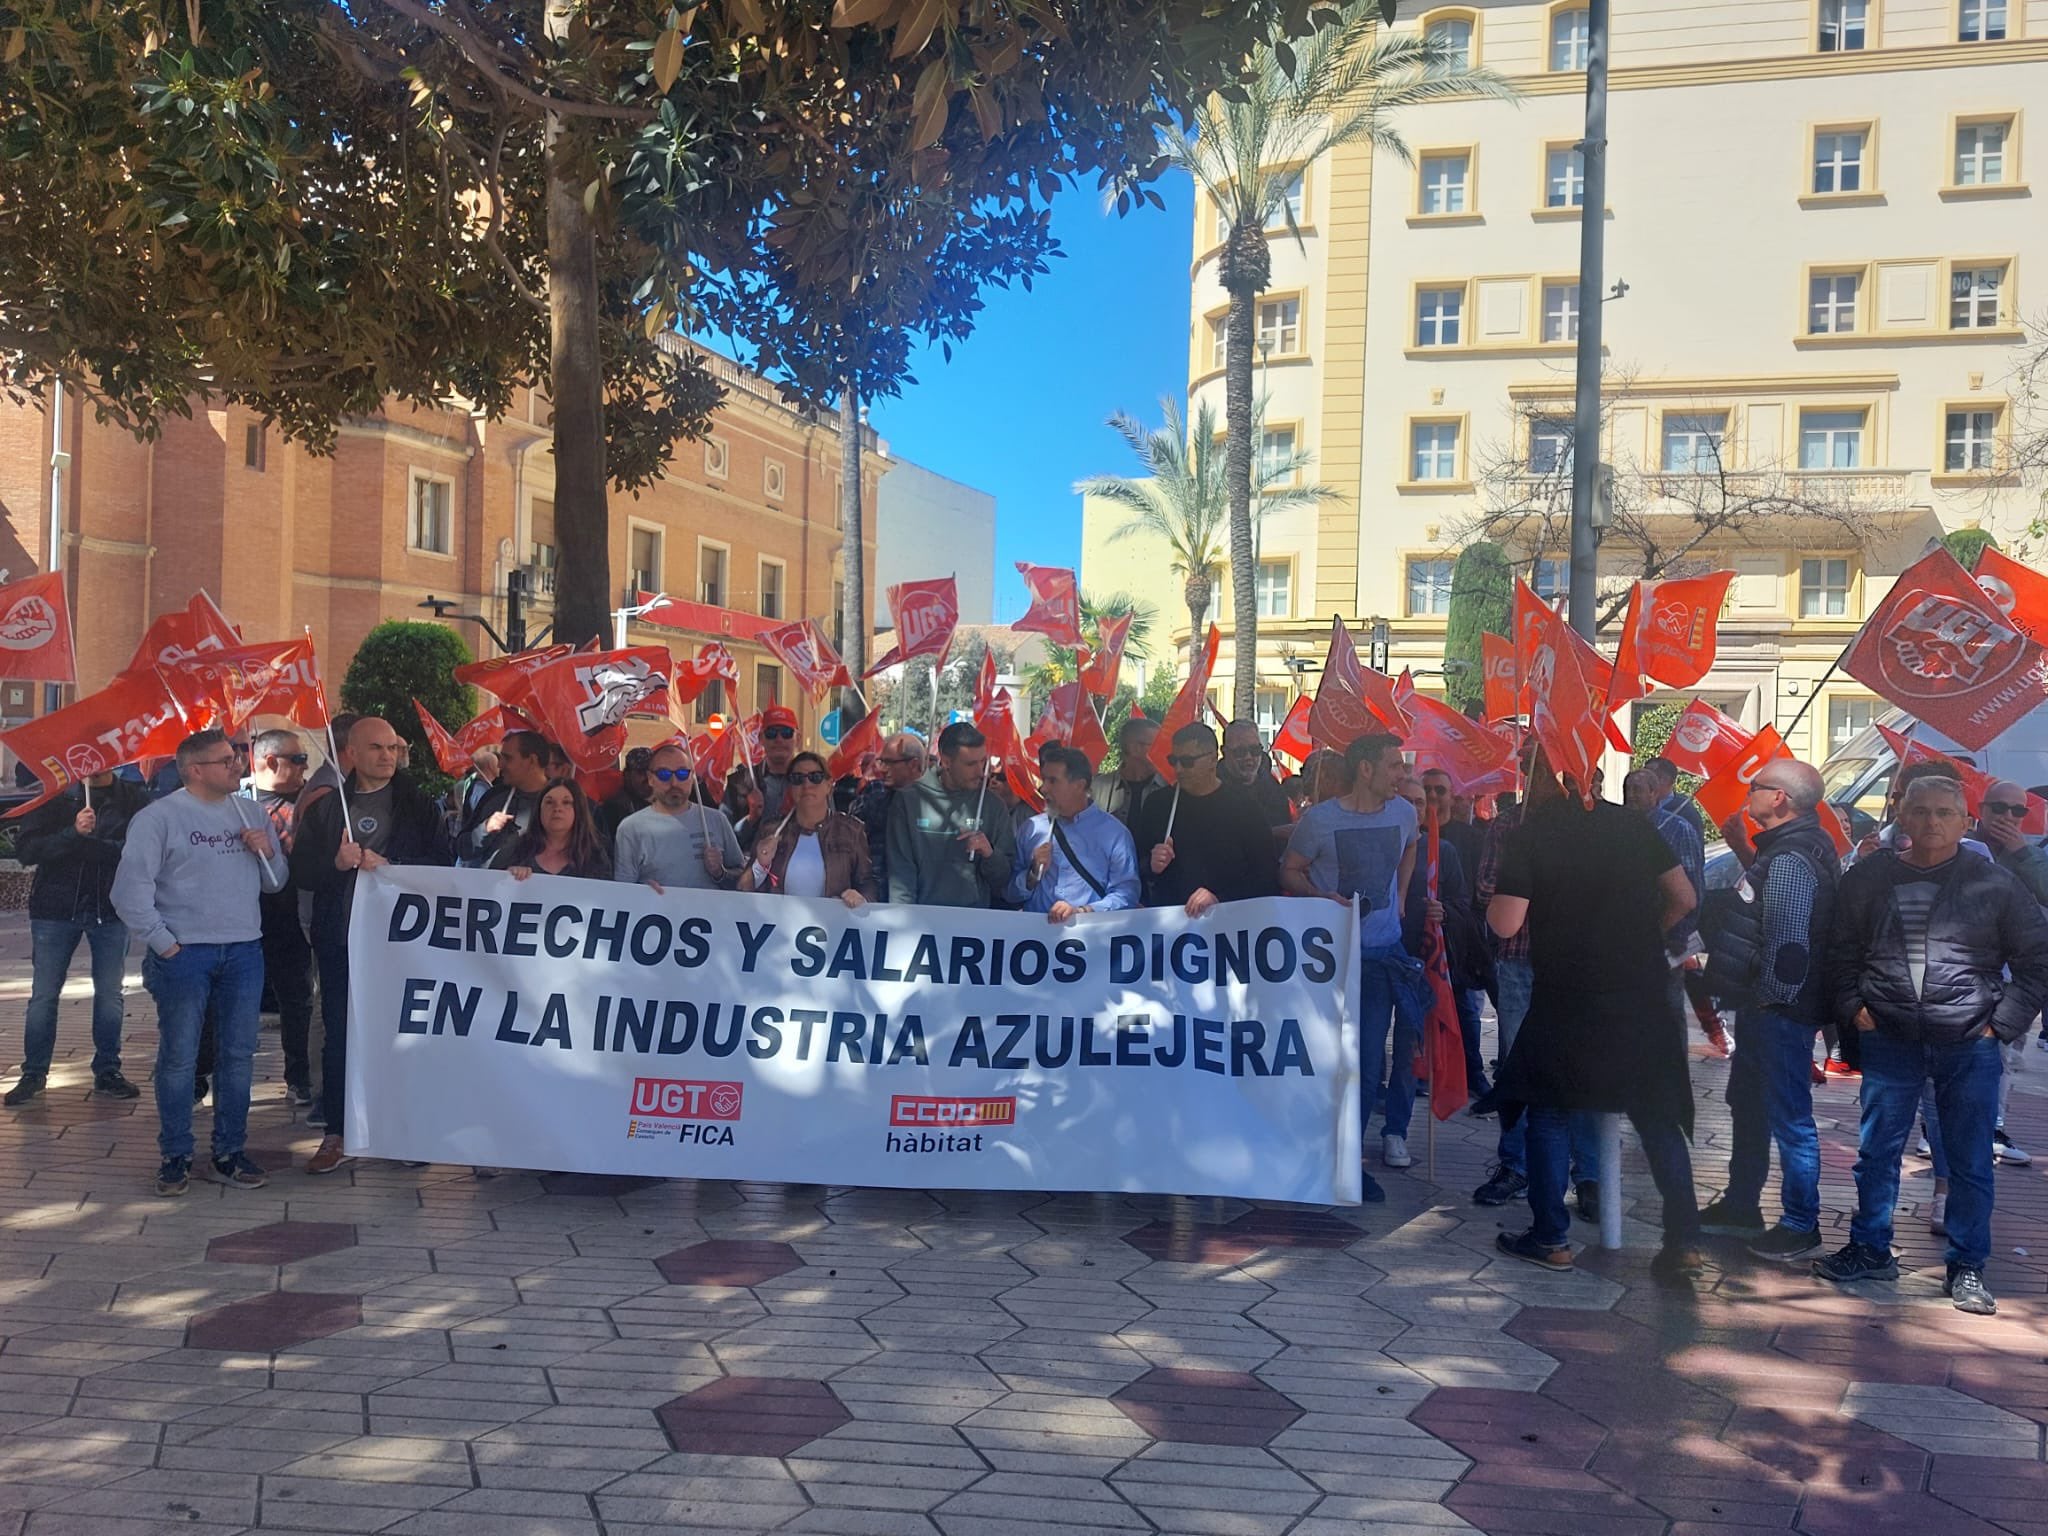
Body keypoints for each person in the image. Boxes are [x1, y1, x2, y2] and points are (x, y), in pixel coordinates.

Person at [1817, 776, 2048, 1316]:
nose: (1932, 822)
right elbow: (1839, 949)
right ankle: (1870, 1247)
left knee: (1970, 1159)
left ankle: (1967, 1265)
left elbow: (2036, 961)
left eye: (1945, 813)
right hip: (1890, 1034)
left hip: (1969, 1040)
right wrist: (1854, 1007)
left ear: (1966, 821)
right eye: (1920, 811)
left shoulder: (1994, 883)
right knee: (1877, 1152)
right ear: (1901, 814)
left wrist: (2001, 1024)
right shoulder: (1869, 878)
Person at [1484, 752, 1704, 1279]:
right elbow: (1684, 896)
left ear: (1545, 777)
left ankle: (1550, 1237)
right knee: (1656, 1114)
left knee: (1549, 1111)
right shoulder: (1632, 823)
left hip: (1568, 992)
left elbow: (1505, 924)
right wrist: (1642, 936)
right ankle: (1684, 1243)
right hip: (1640, 988)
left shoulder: (1532, 833)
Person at [111, 729, 288, 1196]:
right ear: (194, 770)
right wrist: (164, 943)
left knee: (238, 1056)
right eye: (225, 760)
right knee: (179, 1057)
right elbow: (129, 891)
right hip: (186, 954)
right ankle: (176, 1155)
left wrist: (266, 851)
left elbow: (275, 883)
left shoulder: (250, 812)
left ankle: (230, 1152)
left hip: (244, 950)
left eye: (236, 757)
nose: (237, 766)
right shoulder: (159, 818)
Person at [291, 715, 453, 1176]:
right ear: (352, 754)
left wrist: (393, 864)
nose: (388, 756)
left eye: (393, 748)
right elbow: (300, 871)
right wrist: (335, 862)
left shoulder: (418, 805)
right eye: (377, 748)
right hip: (341, 939)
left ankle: (402, 1130)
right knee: (341, 1033)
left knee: (403, 1036)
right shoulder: (327, 808)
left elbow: (442, 863)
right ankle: (338, 1131)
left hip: (401, 943)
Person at [1693, 760, 1838, 1262]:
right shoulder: (1786, 847)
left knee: (1789, 1116)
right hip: (1765, 1008)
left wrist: (1770, 998)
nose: (1746, 793)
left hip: (1778, 1010)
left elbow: (1788, 944)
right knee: (1749, 1105)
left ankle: (1800, 1223)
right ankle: (1740, 1205)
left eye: (1755, 787)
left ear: (1779, 799)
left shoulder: (1793, 857)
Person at [1281, 732, 1418, 1199]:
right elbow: (1289, 870)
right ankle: (1310, 1156)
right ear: (1366, 769)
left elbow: (1412, 846)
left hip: (1382, 956)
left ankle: (1348, 1165)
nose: (1402, 774)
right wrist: (1321, 898)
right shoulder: (1320, 820)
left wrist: (1401, 896)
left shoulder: (1405, 813)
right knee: (1322, 1060)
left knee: (1366, 1063)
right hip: (1327, 961)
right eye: (1395, 765)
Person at [5, 767, 151, 1105]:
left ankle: (108, 1070)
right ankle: (33, 1072)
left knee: (110, 994)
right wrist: (72, 833)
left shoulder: (134, 799)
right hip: (55, 909)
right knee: (44, 995)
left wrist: (90, 846)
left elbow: (141, 851)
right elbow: (27, 851)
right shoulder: (53, 794)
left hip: (110, 907)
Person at [1136, 723, 1281, 916]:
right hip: (1171, 921)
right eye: (1173, 760)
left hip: (1228, 922)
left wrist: (1219, 898)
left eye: (1187, 761)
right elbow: (1134, 867)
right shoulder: (1158, 805)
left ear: (1213, 759)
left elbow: (1266, 875)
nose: (1178, 768)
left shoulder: (1244, 807)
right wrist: (1151, 864)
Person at [246, 728, 317, 1108]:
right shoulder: (238, 803)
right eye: (298, 758)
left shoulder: (315, 801)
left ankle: (300, 1077)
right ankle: (203, 1075)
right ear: (271, 762)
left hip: (291, 916)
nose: (305, 766)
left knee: (297, 1000)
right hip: (243, 918)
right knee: (227, 1001)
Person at [887, 721, 1018, 908]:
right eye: (971, 764)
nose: (981, 772)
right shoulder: (909, 800)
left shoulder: (993, 805)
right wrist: (902, 917)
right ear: (946, 761)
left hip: (973, 919)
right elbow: (900, 873)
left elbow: (1005, 879)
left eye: (983, 761)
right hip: (921, 917)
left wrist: (989, 854)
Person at [1421, 767, 1492, 1103]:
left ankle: (1472, 1073)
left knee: (1464, 1009)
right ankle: (1423, 1072)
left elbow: (1480, 891)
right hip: (1420, 936)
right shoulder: (1411, 835)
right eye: (1427, 790)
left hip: (1460, 938)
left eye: (1440, 790)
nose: (1433, 796)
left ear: (1452, 796)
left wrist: (1458, 918)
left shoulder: (1472, 838)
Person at [1009, 745, 1141, 919]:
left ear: (1079, 785)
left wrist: (1082, 912)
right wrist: (1032, 875)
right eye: (1044, 779)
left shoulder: (1115, 834)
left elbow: (1126, 895)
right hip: (1035, 932)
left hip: (1088, 933)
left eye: (1053, 781)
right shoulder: (1031, 829)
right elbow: (1009, 894)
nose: (1043, 789)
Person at [739, 751, 874, 906]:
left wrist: (860, 897)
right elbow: (743, 889)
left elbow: (867, 883)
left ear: (829, 785)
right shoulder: (771, 830)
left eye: (815, 777)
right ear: (790, 787)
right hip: (779, 920)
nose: (807, 785)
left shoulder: (852, 830)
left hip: (833, 920)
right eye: (797, 778)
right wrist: (760, 865)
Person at [614, 742, 745, 892]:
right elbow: (622, 891)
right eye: (664, 774)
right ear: (650, 778)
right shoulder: (630, 829)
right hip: (656, 907)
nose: (674, 783)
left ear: (692, 777)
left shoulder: (716, 820)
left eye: (682, 774)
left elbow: (744, 881)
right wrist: (643, 891)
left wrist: (720, 873)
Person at [458, 729, 551, 868]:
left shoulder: (561, 803)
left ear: (532, 761)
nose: (499, 765)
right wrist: (484, 830)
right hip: (487, 881)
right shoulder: (494, 797)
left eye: (508, 758)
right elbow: (462, 849)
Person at [855, 731, 926, 894]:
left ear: (913, 764)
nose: (882, 769)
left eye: (889, 763)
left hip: (918, 895)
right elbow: (852, 837)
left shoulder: (933, 803)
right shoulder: (874, 794)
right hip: (873, 893)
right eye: (882, 761)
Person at [505, 778, 614, 881]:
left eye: (566, 802)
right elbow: (499, 886)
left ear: (578, 809)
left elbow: (603, 892)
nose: (557, 808)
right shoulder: (518, 848)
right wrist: (510, 876)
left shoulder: (595, 853)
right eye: (549, 802)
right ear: (539, 809)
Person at [736, 703, 802, 853]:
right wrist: (751, 818)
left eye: (786, 733)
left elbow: (828, 830)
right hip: (752, 864)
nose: (779, 739)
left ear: (798, 738)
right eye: (771, 733)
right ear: (761, 738)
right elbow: (725, 838)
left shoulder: (812, 781)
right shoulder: (740, 782)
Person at [1222, 719, 1293, 844]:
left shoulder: (1273, 788)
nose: (1248, 757)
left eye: (1255, 750)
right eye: (1240, 752)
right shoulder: (1213, 787)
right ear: (1224, 752)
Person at [1092, 715, 1167, 830]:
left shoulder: (1169, 788)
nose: (1163, 751)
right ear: (1134, 748)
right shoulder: (1097, 788)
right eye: (1157, 745)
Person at [1980, 779, 2048, 903]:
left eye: (2018, 811)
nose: (2008, 817)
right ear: (1981, 809)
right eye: (1999, 808)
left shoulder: (2034, 854)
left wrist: (2022, 853)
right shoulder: (1961, 843)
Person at [1644, 756, 1706, 844]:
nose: (1643, 780)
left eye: (1649, 775)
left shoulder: (1686, 812)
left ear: (1665, 780)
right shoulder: (1640, 806)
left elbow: (1694, 846)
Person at [598, 747, 653, 840]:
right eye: (641, 772)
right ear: (627, 775)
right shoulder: (613, 809)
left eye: (652, 772)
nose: (648, 778)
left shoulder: (663, 802)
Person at [458, 746, 501, 821]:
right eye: (497, 763)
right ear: (490, 765)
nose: (500, 766)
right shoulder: (479, 789)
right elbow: (480, 816)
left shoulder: (483, 786)